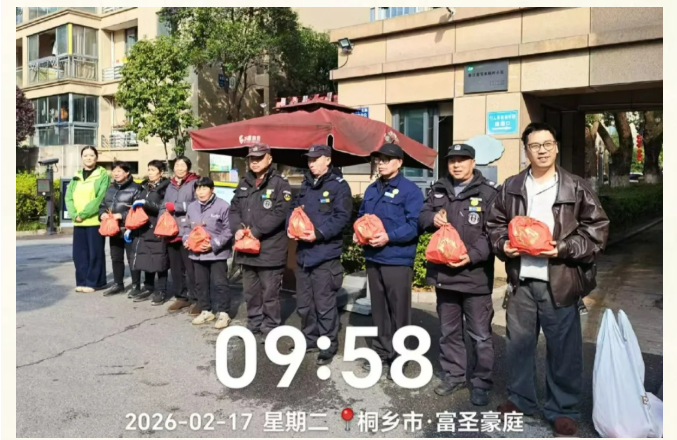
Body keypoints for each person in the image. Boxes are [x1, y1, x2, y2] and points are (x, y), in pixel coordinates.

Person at [486, 122, 610, 437]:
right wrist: (503, 244)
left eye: (547, 144)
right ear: (526, 150)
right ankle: (521, 400)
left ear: (555, 147)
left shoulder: (575, 187)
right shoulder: (512, 186)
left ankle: (563, 409)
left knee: (564, 350)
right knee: (519, 346)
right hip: (522, 282)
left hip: (561, 281)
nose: (541, 150)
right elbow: (494, 224)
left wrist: (562, 248)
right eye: (534, 145)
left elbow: (597, 230)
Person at [418, 144, 499, 406]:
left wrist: (472, 255)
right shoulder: (438, 189)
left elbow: (494, 231)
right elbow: (421, 216)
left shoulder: (488, 193)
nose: (456, 165)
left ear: (473, 163)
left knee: (480, 335)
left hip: (475, 276)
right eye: (452, 160)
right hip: (444, 275)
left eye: (462, 160)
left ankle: (481, 382)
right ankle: (454, 376)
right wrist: (432, 218)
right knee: (449, 331)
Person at [354, 143, 424, 378]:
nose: (381, 163)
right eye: (379, 159)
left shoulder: (410, 191)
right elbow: (362, 216)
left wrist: (389, 237)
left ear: (399, 163)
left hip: (397, 259)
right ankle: (382, 352)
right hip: (374, 258)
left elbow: (414, 226)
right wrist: (358, 232)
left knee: (399, 311)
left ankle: (400, 357)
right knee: (379, 310)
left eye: (386, 159)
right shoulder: (372, 189)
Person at [286, 145, 352, 365]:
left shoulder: (339, 186)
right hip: (304, 254)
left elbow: (342, 217)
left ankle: (328, 344)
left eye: (315, 159)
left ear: (328, 160)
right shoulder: (306, 183)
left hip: (325, 255)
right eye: (309, 160)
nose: (311, 163)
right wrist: (290, 226)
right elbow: (293, 209)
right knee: (305, 303)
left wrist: (319, 233)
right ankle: (309, 339)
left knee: (324, 304)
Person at [229, 144, 292, 342]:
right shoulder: (244, 182)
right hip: (246, 249)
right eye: (252, 158)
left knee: (270, 294)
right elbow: (234, 209)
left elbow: (280, 212)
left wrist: (256, 231)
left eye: (259, 158)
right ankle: (254, 323)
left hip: (269, 249)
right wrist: (236, 228)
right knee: (251, 292)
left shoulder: (280, 183)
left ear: (269, 159)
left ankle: (270, 327)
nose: (254, 162)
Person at [182, 177, 233, 329]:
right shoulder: (192, 207)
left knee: (220, 283)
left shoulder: (223, 206)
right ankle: (206, 310)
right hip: (196, 253)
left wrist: (213, 244)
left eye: (204, 188)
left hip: (217, 253)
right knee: (200, 283)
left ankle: (224, 313)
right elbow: (186, 227)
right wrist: (186, 239)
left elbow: (229, 230)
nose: (201, 192)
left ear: (212, 189)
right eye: (198, 189)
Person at [98, 161, 150, 297]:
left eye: (119, 171)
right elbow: (103, 205)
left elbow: (139, 209)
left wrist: (122, 215)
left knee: (132, 258)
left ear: (127, 173)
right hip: (113, 229)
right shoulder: (110, 189)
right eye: (114, 171)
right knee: (116, 257)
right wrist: (102, 214)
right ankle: (118, 284)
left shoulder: (136, 188)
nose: (116, 174)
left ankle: (136, 286)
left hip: (130, 229)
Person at [65, 146, 110, 293]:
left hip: (94, 221)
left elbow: (100, 198)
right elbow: (68, 197)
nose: (88, 158)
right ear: (81, 158)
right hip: (78, 221)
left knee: (95, 253)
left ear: (96, 158)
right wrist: (74, 214)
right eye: (85, 155)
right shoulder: (76, 176)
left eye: (91, 155)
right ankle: (82, 281)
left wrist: (83, 214)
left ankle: (94, 282)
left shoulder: (102, 175)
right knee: (79, 254)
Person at [127, 160, 171, 305]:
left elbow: (164, 207)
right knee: (146, 258)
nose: (150, 172)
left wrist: (147, 204)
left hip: (158, 227)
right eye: (149, 169)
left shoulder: (166, 187)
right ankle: (148, 287)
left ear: (161, 172)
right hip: (143, 227)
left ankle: (161, 290)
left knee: (159, 259)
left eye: (153, 170)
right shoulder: (144, 186)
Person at [161, 156, 200, 315]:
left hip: (188, 230)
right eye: (177, 165)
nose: (179, 168)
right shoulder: (170, 185)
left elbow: (197, 203)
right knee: (176, 268)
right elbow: (164, 205)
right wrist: (162, 219)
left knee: (192, 269)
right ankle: (181, 297)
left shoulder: (194, 183)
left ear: (188, 167)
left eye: (183, 165)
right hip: (171, 231)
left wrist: (176, 207)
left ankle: (198, 299)